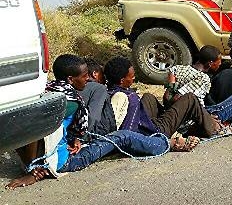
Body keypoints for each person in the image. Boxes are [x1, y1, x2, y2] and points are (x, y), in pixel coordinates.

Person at [6, 55, 170, 189]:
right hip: (65, 162)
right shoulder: (71, 101)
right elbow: (42, 130)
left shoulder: (49, 91)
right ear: (71, 79)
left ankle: (35, 167)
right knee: (123, 136)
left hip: (44, 159)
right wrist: (35, 169)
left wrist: (75, 139)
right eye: (84, 76)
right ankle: (165, 144)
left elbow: (25, 127)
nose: (87, 79)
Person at [104, 56, 219, 149]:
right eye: (131, 77)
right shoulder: (127, 97)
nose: (133, 79)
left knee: (148, 97)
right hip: (156, 131)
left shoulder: (110, 91)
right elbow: (127, 130)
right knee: (190, 98)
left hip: (147, 123)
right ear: (121, 80)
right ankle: (214, 128)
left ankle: (207, 120)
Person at [78, 58, 117, 137]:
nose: (105, 79)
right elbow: (93, 118)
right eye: (102, 74)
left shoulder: (71, 88)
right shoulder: (99, 88)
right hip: (92, 137)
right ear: (95, 74)